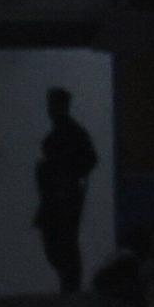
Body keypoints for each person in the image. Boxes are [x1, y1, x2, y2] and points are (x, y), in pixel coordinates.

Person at [35, 88, 98, 295]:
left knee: (65, 245)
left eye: (54, 104)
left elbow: (89, 160)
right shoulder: (58, 135)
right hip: (54, 198)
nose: (51, 109)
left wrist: (68, 172)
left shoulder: (74, 133)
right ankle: (69, 285)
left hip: (65, 198)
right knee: (57, 247)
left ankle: (70, 288)